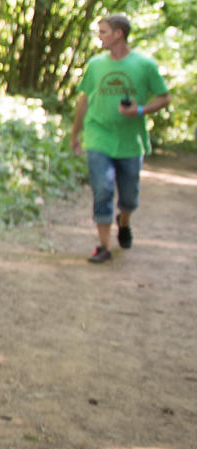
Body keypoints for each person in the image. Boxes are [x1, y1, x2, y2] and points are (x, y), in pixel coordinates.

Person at [69, 14, 171, 263]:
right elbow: (85, 100)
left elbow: (164, 97)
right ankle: (104, 247)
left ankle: (124, 224)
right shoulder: (95, 65)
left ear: (119, 35)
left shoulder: (144, 65)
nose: (99, 37)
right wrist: (75, 133)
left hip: (130, 142)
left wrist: (138, 110)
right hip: (98, 136)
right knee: (102, 190)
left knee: (128, 196)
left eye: (103, 32)